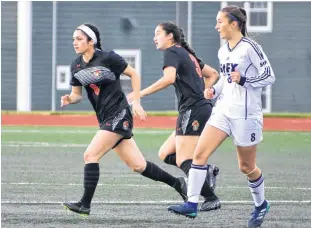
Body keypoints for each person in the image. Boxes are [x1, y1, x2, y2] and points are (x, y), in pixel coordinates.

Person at [62, 23, 188, 216]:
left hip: (119, 114)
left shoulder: (108, 57)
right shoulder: (76, 65)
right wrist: (70, 99)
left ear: (91, 41)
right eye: (73, 39)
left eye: (79, 39)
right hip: (105, 118)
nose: (75, 42)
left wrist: (136, 102)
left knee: (90, 155)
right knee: (138, 165)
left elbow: (134, 74)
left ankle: (84, 204)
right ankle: (178, 183)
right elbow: (77, 94)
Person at [168, 5, 275, 228]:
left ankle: (260, 204)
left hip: (246, 115)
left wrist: (245, 80)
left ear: (233, 24)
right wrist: (214, 90)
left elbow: (269, 76)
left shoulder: (250, 47)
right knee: (199, 155)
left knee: (246, 167)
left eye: (220, 22)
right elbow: (226, 80)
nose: (216, 26)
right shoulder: (223, 50)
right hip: (223, 111)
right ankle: (192, 204)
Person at [127, 22, 221, 212]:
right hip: (196, 108)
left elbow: (169, 78)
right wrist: (204, 93)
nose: (155, 37)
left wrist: (140, 94)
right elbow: (213, 74)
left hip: (193, 110)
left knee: (183, 159)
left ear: (170, 36)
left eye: (158, 33)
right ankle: (206, 170)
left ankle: (210, 197)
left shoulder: (172, 52)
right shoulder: (186, 53)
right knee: (166, 153)